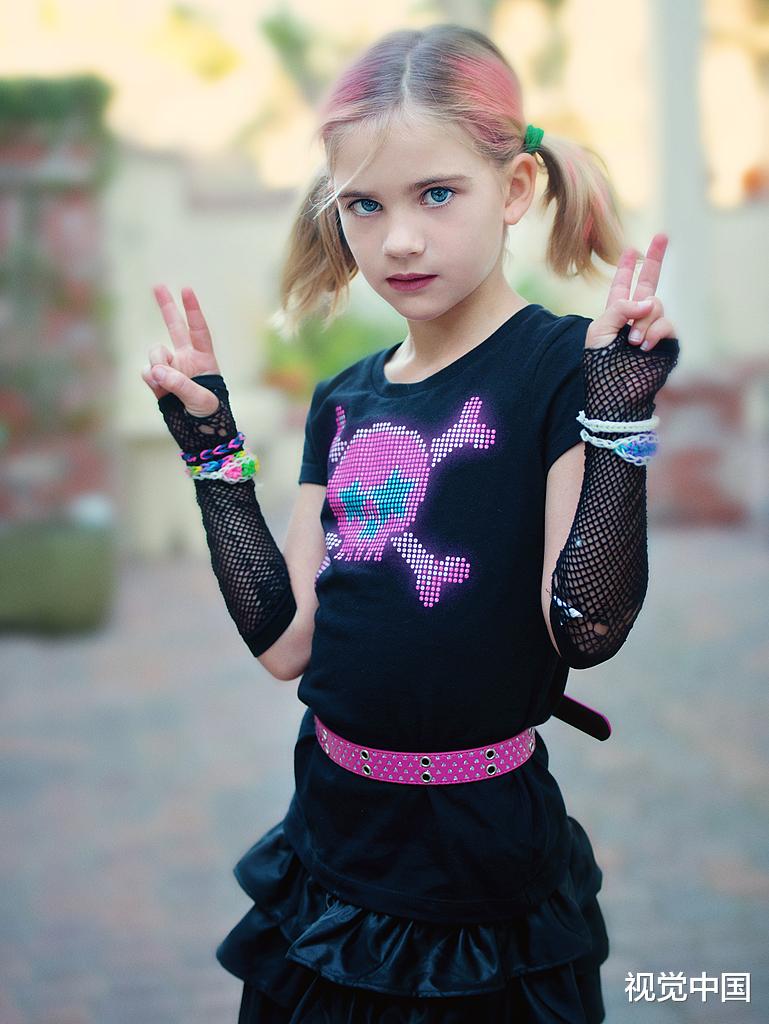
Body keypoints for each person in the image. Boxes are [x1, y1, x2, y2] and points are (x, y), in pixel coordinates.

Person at [141, 23, 680, 1024]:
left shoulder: (559, 368)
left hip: (481, 863)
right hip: (330, 842)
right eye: (366, 204)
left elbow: (586, 627)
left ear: (513, 188)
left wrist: (616, 419)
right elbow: (285, 641)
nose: (398, 239)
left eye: (437, 194)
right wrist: (212, 451)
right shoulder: (342, 398)